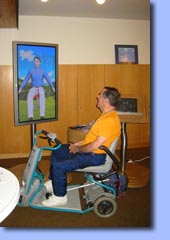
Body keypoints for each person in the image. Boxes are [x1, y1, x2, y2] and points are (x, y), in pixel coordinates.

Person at [42, 86, 121, 207]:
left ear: (106, 101)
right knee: (57, 150)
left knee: (59, 166)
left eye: (100, 94)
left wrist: (77, 149)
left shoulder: (109, 120)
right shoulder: (106, 116)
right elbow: (92, 138)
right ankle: (54, 183)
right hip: (90, 152)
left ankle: (60, 197)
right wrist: (77, 144)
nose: (97, 96)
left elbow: (95, 145)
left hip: (94, 156)